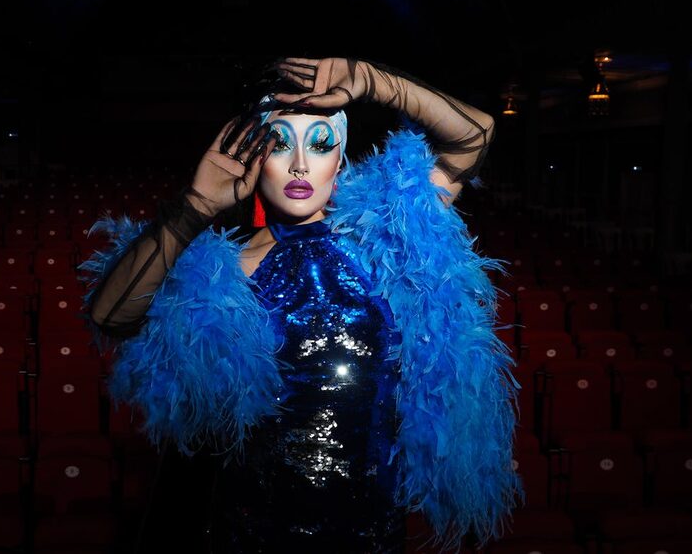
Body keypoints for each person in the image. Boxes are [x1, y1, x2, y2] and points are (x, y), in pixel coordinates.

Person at [78, 57, 524, 553]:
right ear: (252, 157)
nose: (298, 165)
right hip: (254, 528)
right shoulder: (223, 271)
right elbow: (110, 316)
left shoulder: (381, 239)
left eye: (320, 143)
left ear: (341, 159)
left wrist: (375, 82)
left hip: (370, 527)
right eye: (277, 145)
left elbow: (475, 135)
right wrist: (196, 206)